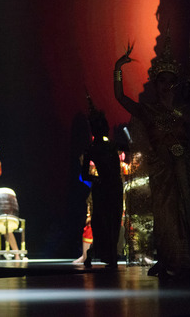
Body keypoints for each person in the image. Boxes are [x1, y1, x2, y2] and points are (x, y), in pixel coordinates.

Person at [114, 39, 190, 280]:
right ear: (156, 83)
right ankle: (168, 260)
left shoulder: (186, 110)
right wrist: (118, 70)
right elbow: (121, 98)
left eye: (170, 81)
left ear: (176, 84)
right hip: (160, 170)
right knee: (164, 217)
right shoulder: (149, 110)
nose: (166, 86)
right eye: (161, 81)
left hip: (184, 169)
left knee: (186, 212)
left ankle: (187, 260)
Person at [80, 106, 123, 269]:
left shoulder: (102, 147)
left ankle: (109, 254)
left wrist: (97, 179)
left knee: (109, 221)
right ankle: (109, 254)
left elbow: (84, 175)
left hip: (108, 186)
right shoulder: (105, 147)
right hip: (109, 187)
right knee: (108, 221)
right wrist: (98, 179)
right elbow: (84, 175)